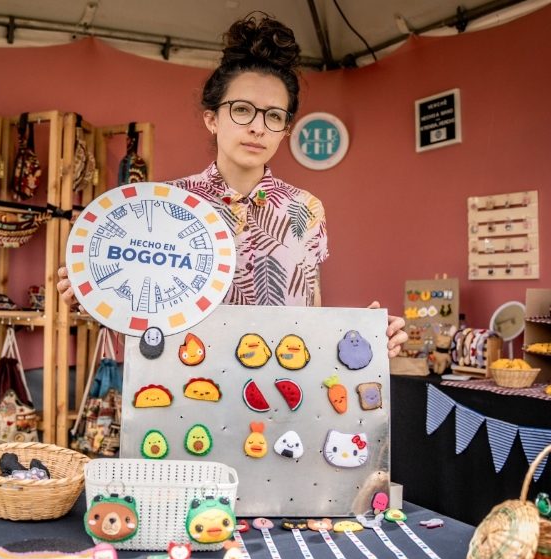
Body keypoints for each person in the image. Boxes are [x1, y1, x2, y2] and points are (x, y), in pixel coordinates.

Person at [58, 13, 407, 357]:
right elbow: (142, 313)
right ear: (212, 119)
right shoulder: (166, 205)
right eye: (242, 110)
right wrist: (96, 298)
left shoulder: (305, 209)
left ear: (285, 130)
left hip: (280, 386)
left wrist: (367, 335)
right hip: (185, 383)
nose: (258, 127)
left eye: (274, 116)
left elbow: (309, 317)